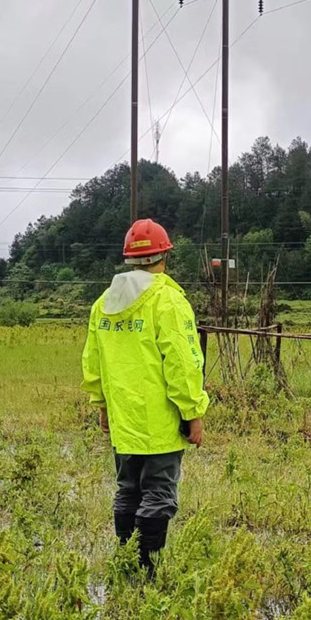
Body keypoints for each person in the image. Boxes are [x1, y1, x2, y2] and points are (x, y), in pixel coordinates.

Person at [82, 218, 209, 575]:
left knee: (127, 489)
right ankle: (147, 570)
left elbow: (93, 362)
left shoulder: (103, 303)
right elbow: (184, 363)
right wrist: (193, 412)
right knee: (158, 494)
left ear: (129, 258)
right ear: (164, 255)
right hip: (160, 420)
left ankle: (127, 562)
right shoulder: (167, 300)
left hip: (123, 419)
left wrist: (102, 405)